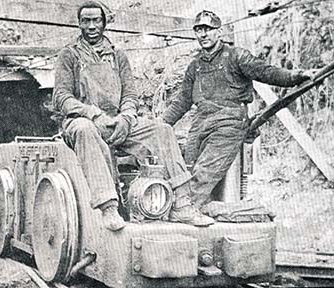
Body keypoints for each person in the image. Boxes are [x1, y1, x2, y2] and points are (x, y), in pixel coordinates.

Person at [53, 1, 214, 231]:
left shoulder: (118, 55)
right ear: (79, 24)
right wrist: (92, 113)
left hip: (117, 122)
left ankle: (182, 203)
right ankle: (109, 206)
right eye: (86, 21)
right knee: (84, 129)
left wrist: (126, 116)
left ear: (104, 23)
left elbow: (130, 95)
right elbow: (61, 97)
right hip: (82, 121)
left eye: (96, 20)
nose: (91, 26)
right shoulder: (69, 55)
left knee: (162, 131)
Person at [161, 10, 315, 209]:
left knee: (203, 174)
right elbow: (182, 101)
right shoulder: (195, 66)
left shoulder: (236, 56)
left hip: (229, 122)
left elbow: (266, 72)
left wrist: (296, 76)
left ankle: (185, 212)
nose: (203, 34)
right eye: (199, 30)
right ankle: (197, 212)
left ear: (220, 32)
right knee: (184, 172)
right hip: (200, 123)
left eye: (208, 29)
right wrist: (159, 125)